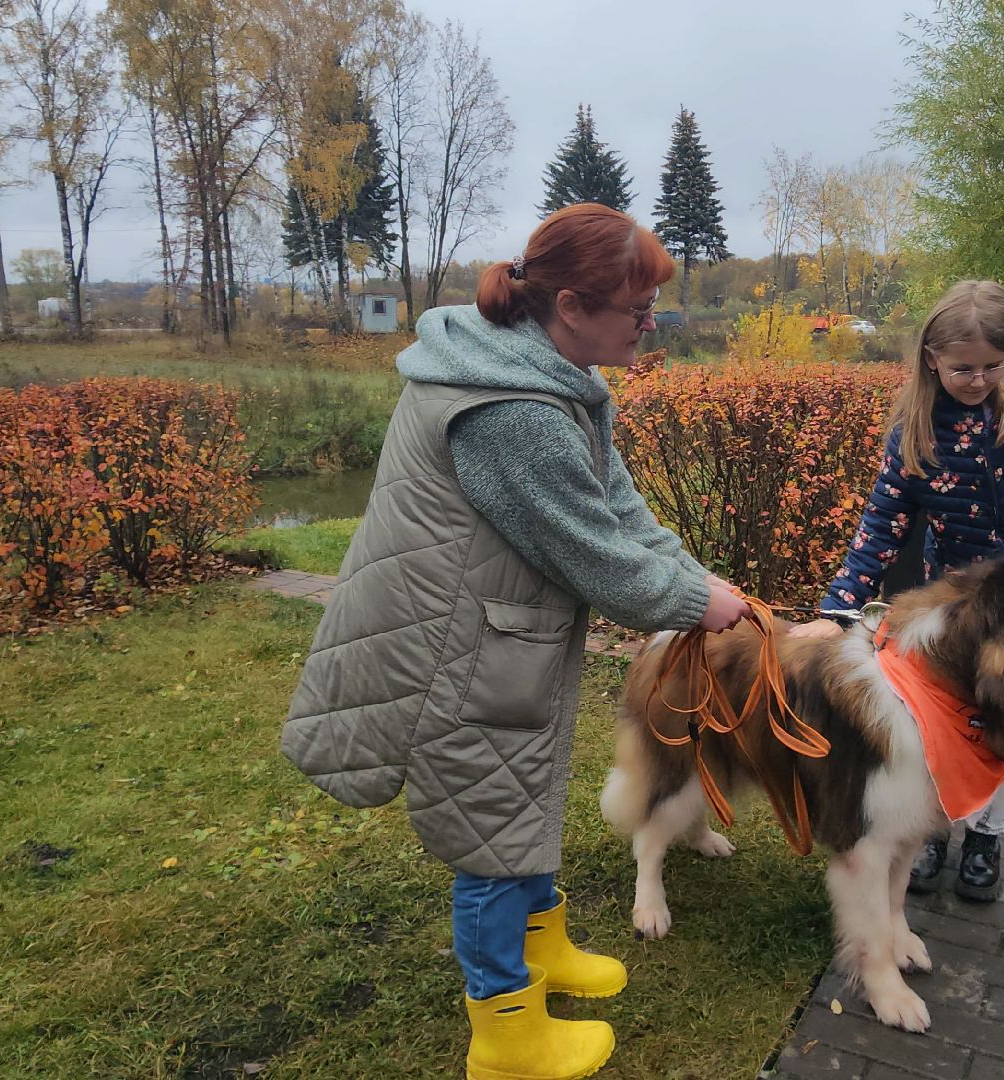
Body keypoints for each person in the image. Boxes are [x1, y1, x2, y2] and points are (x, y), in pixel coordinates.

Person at [281, 203, 750, 1080]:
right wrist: (694, 600)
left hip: (502, 634)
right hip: (453, 647)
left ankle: (543, 950)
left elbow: (621, 510)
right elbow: (593, 552)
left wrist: (700, 582)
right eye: (638, 312)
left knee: (522, 796)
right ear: (571, 306)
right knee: (491, 833)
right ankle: (505, 1032)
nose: (653, 328)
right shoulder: (513, 411)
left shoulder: (555, 379)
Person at [789, 280, 1004, 902]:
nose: (978, 380)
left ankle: (987, 833)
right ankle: (934, 826)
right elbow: (882, 524)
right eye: (963, 368)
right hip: (956, 609)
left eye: (994, 366)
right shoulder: (916, 430)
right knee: (941, 715)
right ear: (931, 359)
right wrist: (838, 611)